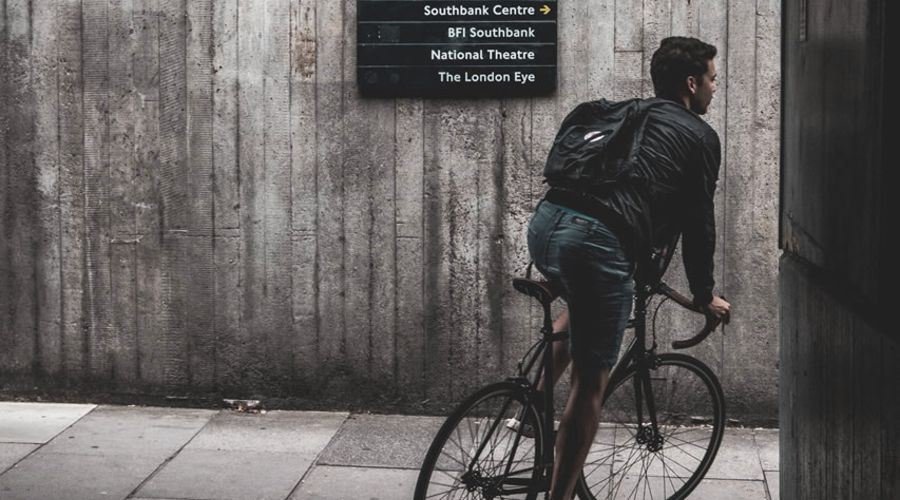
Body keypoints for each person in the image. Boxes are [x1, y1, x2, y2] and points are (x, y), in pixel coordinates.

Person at [526, 36, 732, 500]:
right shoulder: (700, 137)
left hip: (546, 224)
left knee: (586, 304)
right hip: (594, 242)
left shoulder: (628, 113)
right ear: (692, 83)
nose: (715, 88)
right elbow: (699, 223)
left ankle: (528, 408)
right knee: (590, 386)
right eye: (713, 79)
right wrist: (704, 294)